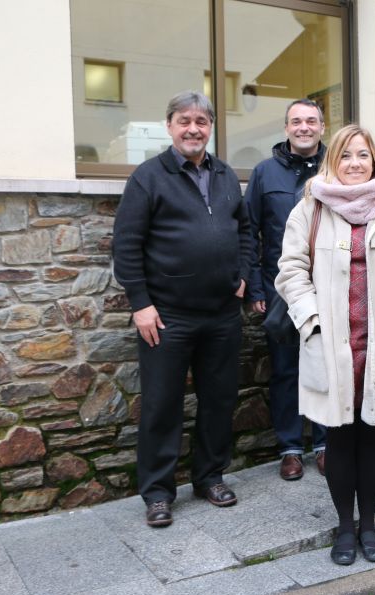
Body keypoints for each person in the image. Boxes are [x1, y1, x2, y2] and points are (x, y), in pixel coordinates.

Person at [275, 124, 375, 565]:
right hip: (332, 343)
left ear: (374, 161)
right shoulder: (310, 209)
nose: (355, 163)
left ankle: (370, 525)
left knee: (373, 437)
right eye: (346, 156)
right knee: (339, 439)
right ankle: (345, 527)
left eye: (363, 155)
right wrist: (314, 323)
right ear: (332, 161)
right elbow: (290, 271)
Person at [112, 91, 250, 527]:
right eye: (185, 121)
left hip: (223, 313)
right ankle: (157, 492)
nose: (194, 129)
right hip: (167, 315)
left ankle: (210, 476)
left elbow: (245, 230)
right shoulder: (148, 177)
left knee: (219, 400)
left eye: (202, 121)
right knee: (161, 404)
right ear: (169, 126)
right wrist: (141, 304)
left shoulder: (226, 175)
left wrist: (243, 272)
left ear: (211, 127)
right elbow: (126, 245)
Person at [245, 99, 328, 481]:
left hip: (330, 284)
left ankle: (326, 444)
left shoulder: (338, 168)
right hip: (281, 289)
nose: (304, 127)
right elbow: (249, 232)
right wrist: (256, 286)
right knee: (284, 370)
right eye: (297, 121)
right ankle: (291, 448)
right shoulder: (264, 173)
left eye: (311, 121)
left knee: (328, 364)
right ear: (286, 129)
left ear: (322, 127)